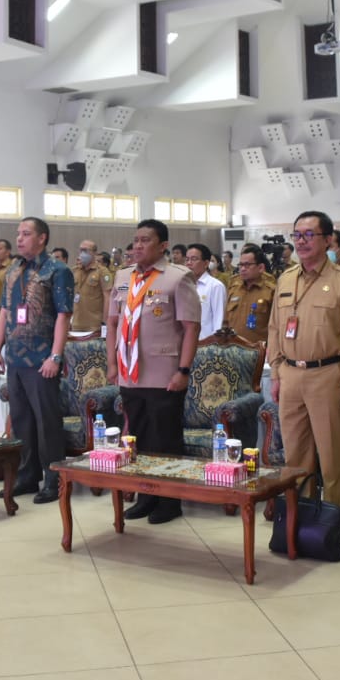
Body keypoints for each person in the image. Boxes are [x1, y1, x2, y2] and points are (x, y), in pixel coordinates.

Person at [268, 210, 340, 510]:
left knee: (331, 455)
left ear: (327, 240)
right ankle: (300, 517)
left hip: (327, 374)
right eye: (297, 235)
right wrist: (275, 373)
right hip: (290, 374)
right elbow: (274, 328)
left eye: (309, 234)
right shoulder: (285, 279)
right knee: (296, 456)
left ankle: (331, 519)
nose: (301, 241)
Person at [108, 218, 200, 524]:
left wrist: (183, 370)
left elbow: (191, 328)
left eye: (145, 240)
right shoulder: (123, 277)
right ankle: (146, 495)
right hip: (130, 372)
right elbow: (112, 324)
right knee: (138, 437)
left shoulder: (177, 278)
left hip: (164, 373)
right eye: (135, 240)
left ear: (162, 246)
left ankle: (169, 501)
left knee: (165, 438)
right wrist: (111, 362)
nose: (137, 246)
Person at [0, 217, 73, 504]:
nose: (20, 238)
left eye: (26, 234)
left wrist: (55, 356)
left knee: (46, 421)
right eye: (18, 233)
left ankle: (54, 478)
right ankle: (27, 476)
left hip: (42, 360)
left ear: (42, 238)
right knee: (22, 421)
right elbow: (4, 311)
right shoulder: (13, 269)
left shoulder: (58, 271)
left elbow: (63, 316)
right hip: (15, 358)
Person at [224, 245, 275, 345]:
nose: (242, 269)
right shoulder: (234, 288)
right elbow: (225, 321)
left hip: (259, 351)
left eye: (247, 265)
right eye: (240, 265)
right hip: (232, 348)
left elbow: (276, 325)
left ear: (260, 268)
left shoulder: (271, 291)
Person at [185, 243, 226, 339]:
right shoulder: (183, 285)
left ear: (206, 263)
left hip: (205, 344)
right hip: (184, 342)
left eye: (194, 259)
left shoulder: (215, 286)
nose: (189, 263)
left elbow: (218, 320)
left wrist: (213, 345)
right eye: (187, 259)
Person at [71, 239, 113, 333]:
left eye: (85, 250)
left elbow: (108, 298)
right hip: (76, 324)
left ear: (94, 253)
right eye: (81, 250)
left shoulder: (103, 272)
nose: (82, 253)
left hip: (94, 326)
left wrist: (105, 323)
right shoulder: (75, 270)